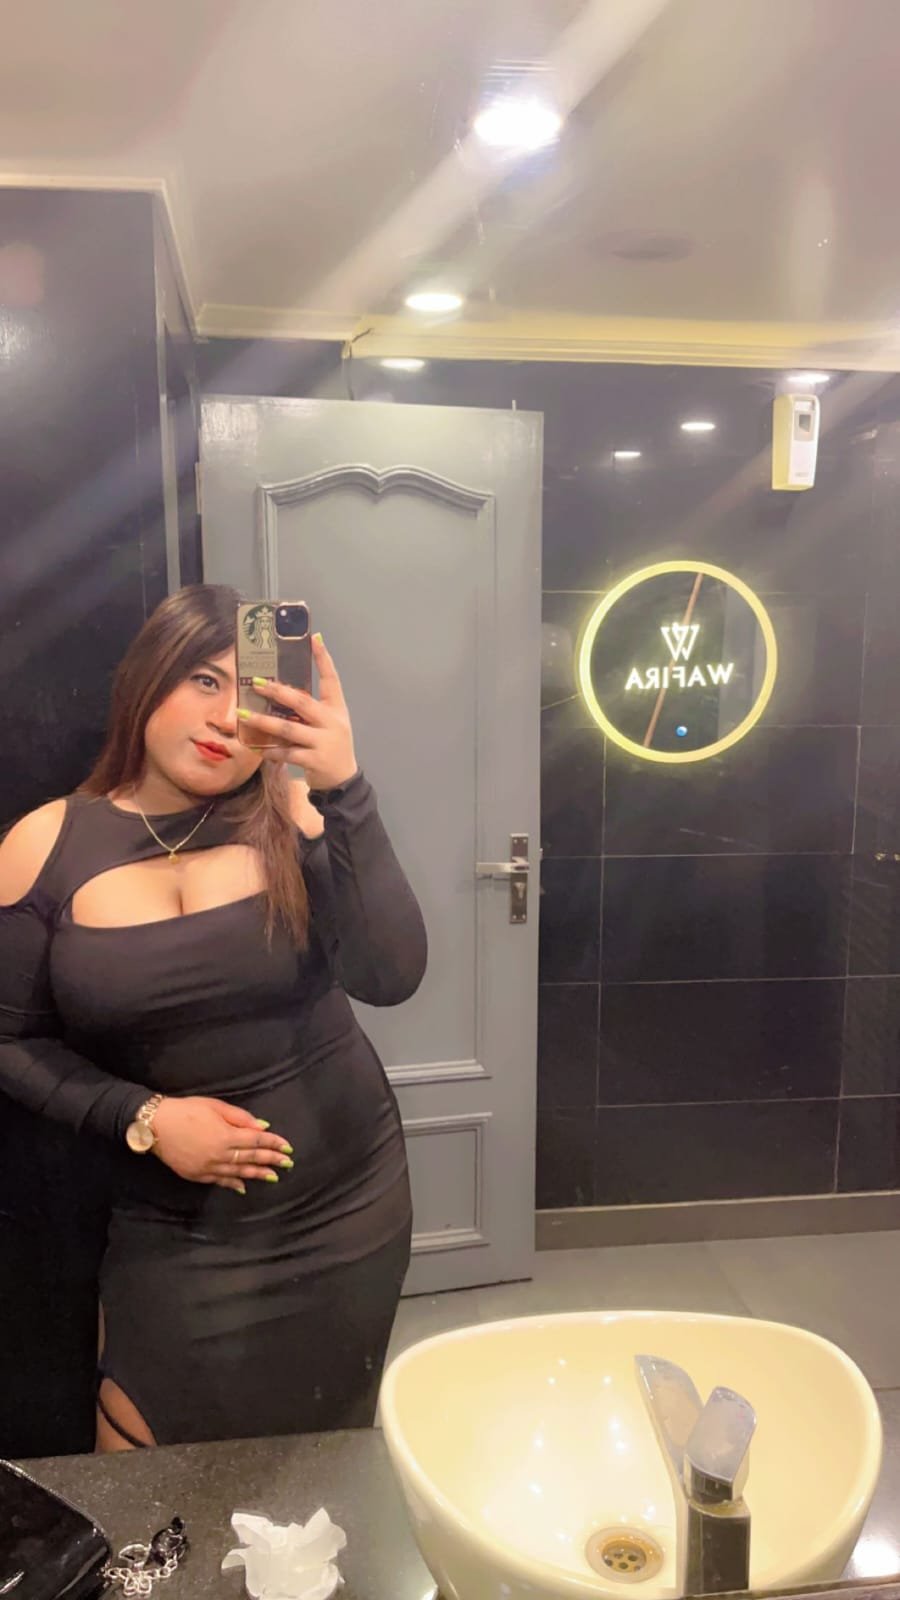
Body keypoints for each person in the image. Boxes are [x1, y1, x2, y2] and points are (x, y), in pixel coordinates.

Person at [0, 584, 426, 1450]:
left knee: (319, 1453)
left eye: (255, 693)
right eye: (203, 680)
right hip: (176, 1227)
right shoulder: (45, 844)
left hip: (346, 1201)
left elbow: (391, 975)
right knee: (145, 1456)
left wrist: (342, 788)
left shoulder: (293, 819)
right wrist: (146, 1118)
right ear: (147, 678)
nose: (228, 718)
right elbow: (11, 1039)